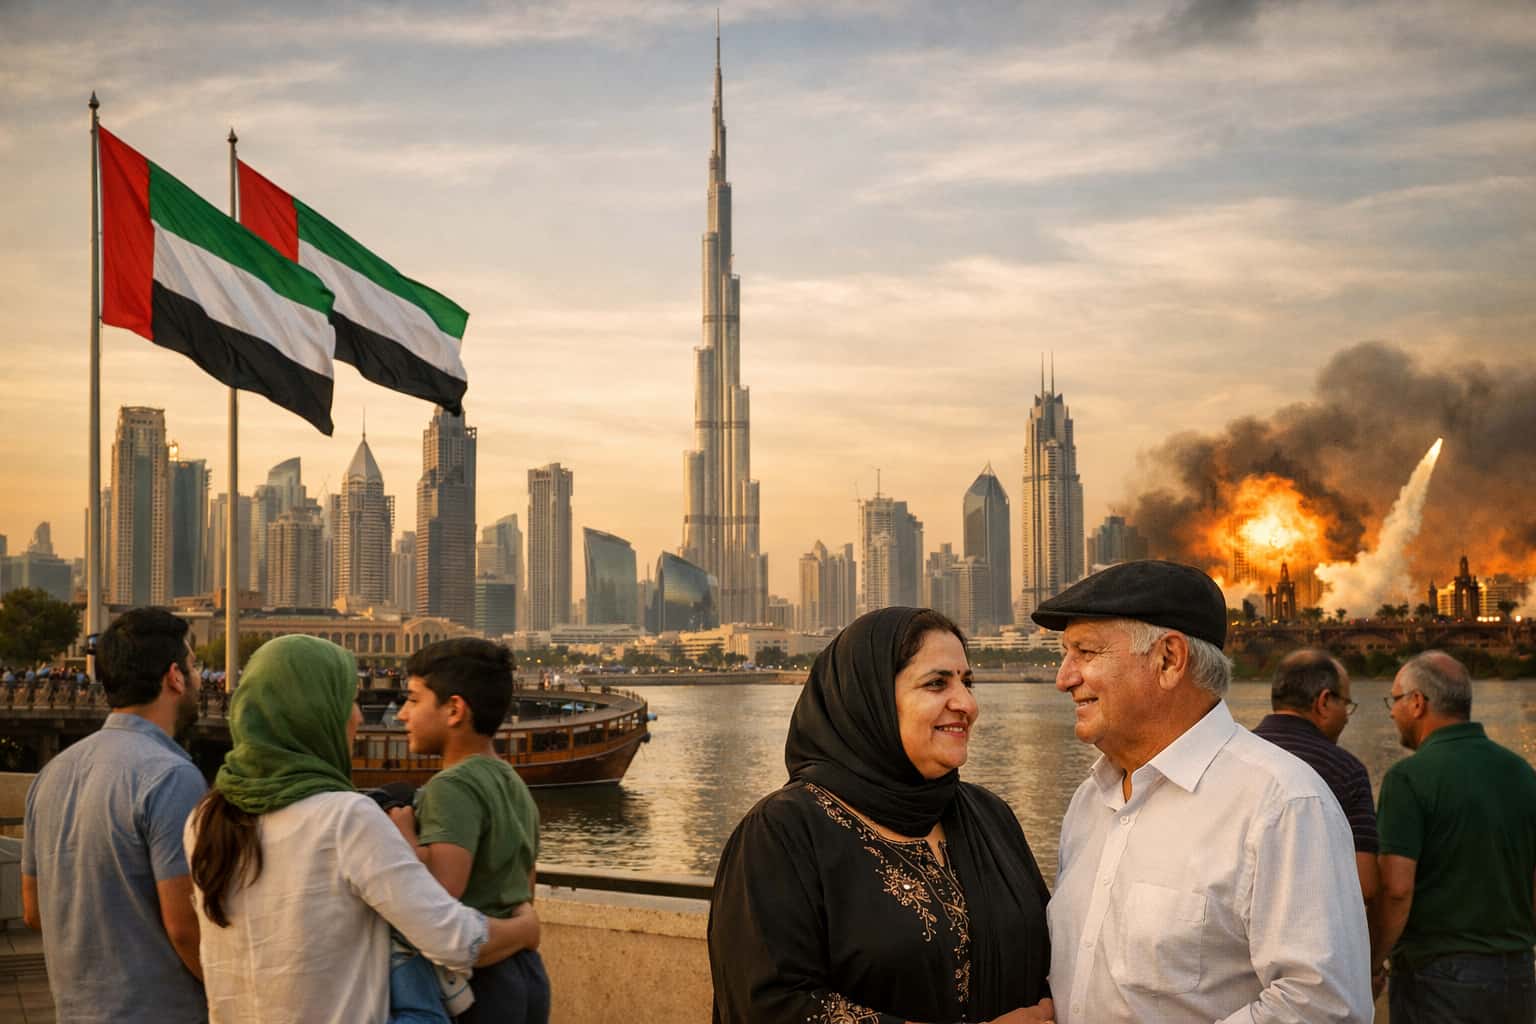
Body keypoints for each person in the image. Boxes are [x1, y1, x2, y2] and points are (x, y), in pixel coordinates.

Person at [1036, 560, 1370, 1023]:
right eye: (1065, 654)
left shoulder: (1282, 804)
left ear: (1169, 659)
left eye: (1086, 653)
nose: (1064, 677)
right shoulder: (1090, 803)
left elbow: (1325, 1007)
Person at [709, 607, 1054, 1024]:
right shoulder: (783, 833)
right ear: (868, 700)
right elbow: (768, 1006)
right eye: (936, 684)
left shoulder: (989, 816)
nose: (966, 704)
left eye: (967, 682)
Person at [185, 634, 540, 1024]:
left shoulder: (204, 818)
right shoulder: (346, 818)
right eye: (348, 702)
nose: (357, 716)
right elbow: (452, 939)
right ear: (315, 714)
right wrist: (524, 929)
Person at [22, 606, 207, 1023]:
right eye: (194, 667)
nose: (198, 679)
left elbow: (33, 912)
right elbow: (184, 926)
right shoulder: (172, 777)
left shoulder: (52, 773)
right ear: (174, 677)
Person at [390, 638, 549, 1024]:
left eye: (413, 700)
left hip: (481, 982)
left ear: (454, 710)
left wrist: (403, 832)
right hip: (527, 972)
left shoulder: (451, 786)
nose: (401, 715)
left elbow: (441, 892)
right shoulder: (512, 782)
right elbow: (524, 888)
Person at [1374, 650, 1536, 1021]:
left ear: (1417, 703)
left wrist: (1371, 960)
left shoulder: (1408, 778)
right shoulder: (1522, 773)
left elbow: (1397, 891)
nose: (1391, 711)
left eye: (1395, 700)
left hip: (1438, 978)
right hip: (1517, 972)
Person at [1252, 649, 1380, 908]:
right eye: (1346, 704)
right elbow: (1365, 884)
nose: (1346, 716)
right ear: (1323, 702)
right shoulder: (1347, 771)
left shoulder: (1230, 756)